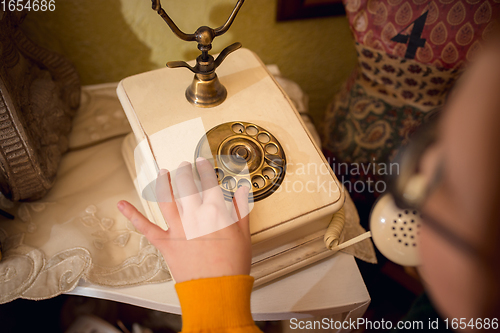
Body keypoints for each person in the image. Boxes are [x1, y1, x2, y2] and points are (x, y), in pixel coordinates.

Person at [118, 33, 500, 332]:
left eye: (444, 182)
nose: (416, 173)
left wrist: (215, 308)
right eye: (435, 137)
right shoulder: (441, 314)